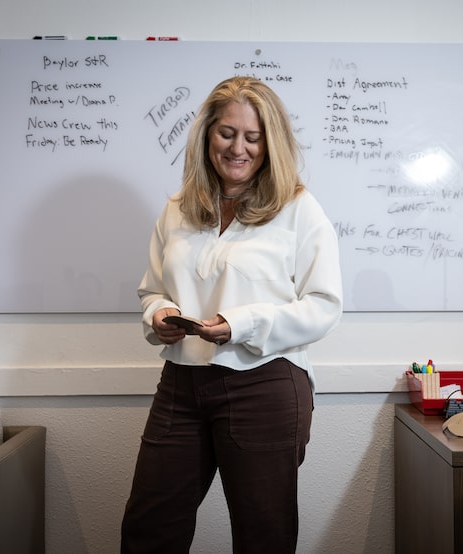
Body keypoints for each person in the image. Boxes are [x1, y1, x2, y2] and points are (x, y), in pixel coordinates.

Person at [121, 76, 343, 553]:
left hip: (264, 384)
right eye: (226, 133)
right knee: (148, 529)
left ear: (270, 143)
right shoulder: (178, 209)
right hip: (181, 383)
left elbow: (324, 306)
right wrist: (159, 313)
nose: (237, 148)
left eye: (252, 137)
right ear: (207, 135)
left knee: (263, 536)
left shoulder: (299, 209)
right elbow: (153, 289)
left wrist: (241, 326)